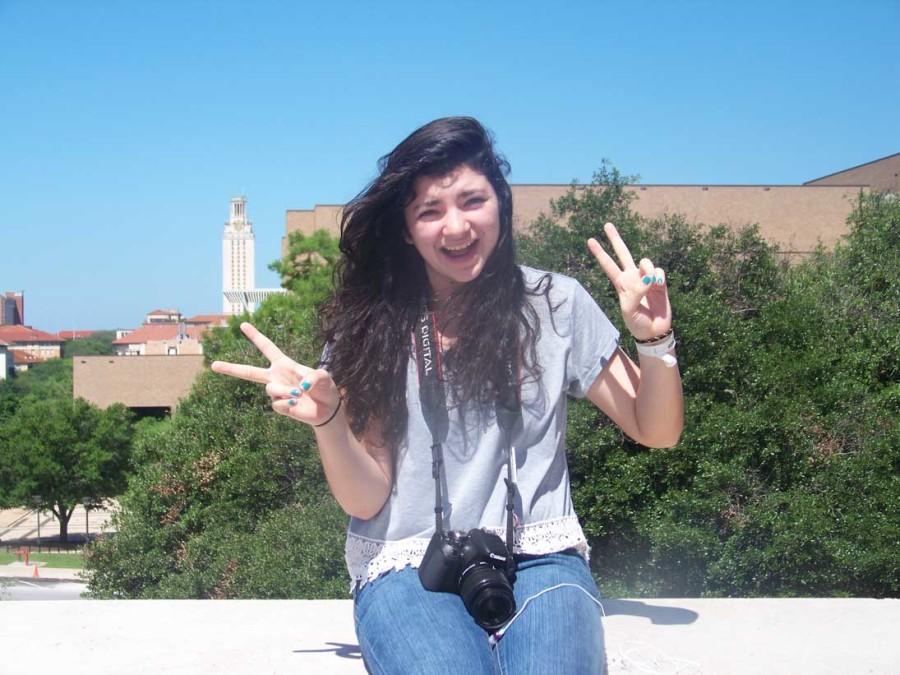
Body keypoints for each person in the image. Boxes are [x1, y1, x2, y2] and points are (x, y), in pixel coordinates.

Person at [212, 116, 683, 674]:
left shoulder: (556, 304)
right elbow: (367, 501)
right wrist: (330, 420)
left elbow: (657, 430)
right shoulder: (375, 325)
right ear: (407, 230)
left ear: (500, 207)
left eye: (471, 201)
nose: (455, 226)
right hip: (408, 562)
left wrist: (654, 340)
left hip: (539, 555)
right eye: (429, 210)